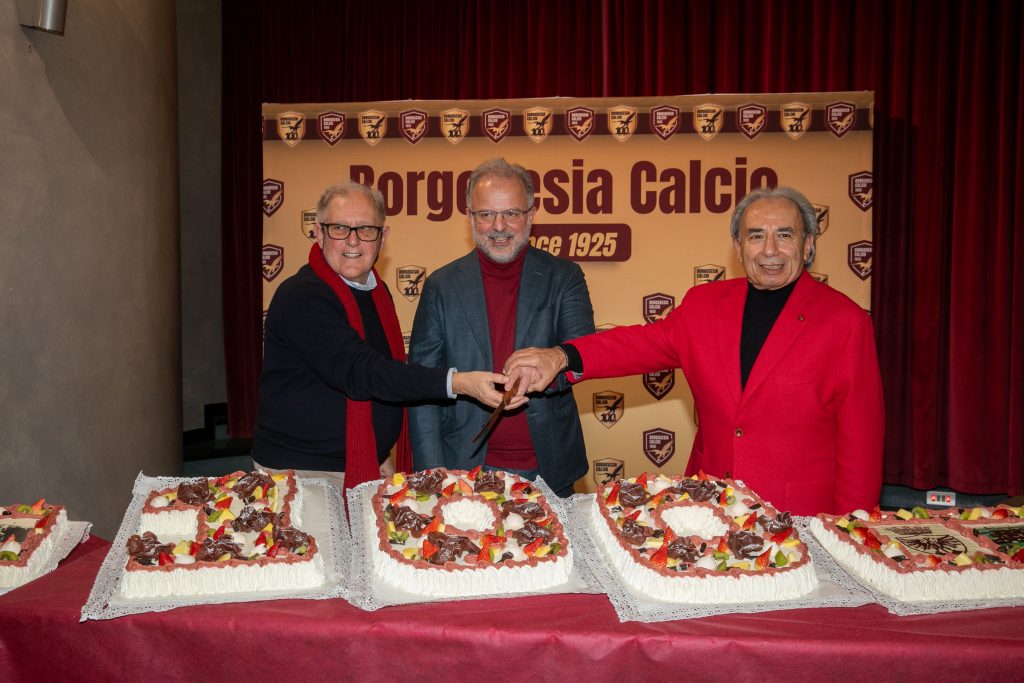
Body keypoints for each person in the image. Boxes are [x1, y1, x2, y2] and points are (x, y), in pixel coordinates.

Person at [505, 186, 884, 515]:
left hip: (800, 519)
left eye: (784, 235)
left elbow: (861, 450)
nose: (770, 250)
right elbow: (638, 344)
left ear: (809, 243)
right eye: (755, 236)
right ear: (738, 246)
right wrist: (561, 356)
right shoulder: (705, 305)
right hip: (712, 509)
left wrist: (850, 533)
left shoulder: (845, 322)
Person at [251, 181, 517, 494]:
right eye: (339, 228)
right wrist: (458, 382)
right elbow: (362, 372)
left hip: (360, 466)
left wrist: (380, 454)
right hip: (304, 473)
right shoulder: (303, 296)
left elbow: (383, 379)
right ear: (319, 234)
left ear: (383, 237)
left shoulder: (375, 292)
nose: (353, 240)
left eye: (365, 229)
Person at [408, 158, 595, 497]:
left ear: (531, 214)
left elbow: (584, 356)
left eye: (511, 213)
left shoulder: (564, 277)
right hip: (462, 469)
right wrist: (431, 471)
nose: (499, 226)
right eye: (486, 214)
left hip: (549, 471)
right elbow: (422, 385)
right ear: (469, 217)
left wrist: (547, 370)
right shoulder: (441, 285)